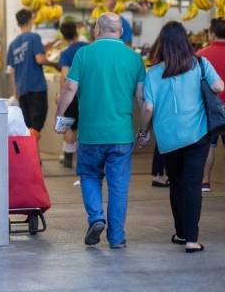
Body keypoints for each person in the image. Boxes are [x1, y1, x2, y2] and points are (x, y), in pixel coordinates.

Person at [55, 13, 145, 249]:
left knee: (89, 176)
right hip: (122, 134)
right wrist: (144, 129)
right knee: (118, 186)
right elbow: (142, 98)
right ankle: (116, 237)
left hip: (90, 133)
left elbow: (69, 89)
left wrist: (60, 117)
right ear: (121, 32)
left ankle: (96, 218)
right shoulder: (134, 59)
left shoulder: (84, 54)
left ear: (97, 30)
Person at [140, 21, 224, 253]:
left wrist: (143, 131)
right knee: (192, 185)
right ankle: (191, 240)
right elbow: (218, 87)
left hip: (168, 139)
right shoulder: (199, 63)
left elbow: (147, 108)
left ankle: (181, 232)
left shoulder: (154, 72)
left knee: (176, 184)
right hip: (197, 134)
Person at [7, 9, 48, 140]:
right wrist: (54, 63)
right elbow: (40, 59)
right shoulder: (34, 37)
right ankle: (33, 160)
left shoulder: (13, 44)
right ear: (31, 20)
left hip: (22, 91)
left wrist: (15, 93)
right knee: (36, 128)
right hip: (37, 88)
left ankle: (32, 159)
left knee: (28, 127)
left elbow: (12, 71)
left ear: (18, 24)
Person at [197, 18, 225, 192]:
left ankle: (205, 181)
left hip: (211, 108)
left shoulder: (201, 55)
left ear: (212, 33)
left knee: (210, 145)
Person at [56, 21, 87, 169]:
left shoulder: (66, 53)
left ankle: (68, 158)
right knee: (85, 126)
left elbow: (65, 77)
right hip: (89, 94)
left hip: (73, 95)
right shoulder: (88, 48)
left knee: (70, 126)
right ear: (76, 31)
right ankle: (85, 158)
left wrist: (61, 95)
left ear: (63, 36)